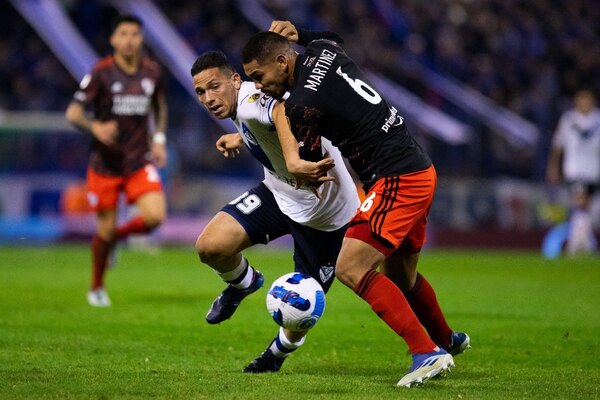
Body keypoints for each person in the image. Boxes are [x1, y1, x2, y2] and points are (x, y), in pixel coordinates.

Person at [242, 21, 470, 387]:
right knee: (401, 276)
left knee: (350, 267)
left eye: (259, 75)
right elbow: (334, 36)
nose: (258, 85)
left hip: (395, 178)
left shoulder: (300, 105)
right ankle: (446, 338)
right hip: (419, 167)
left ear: (283, 63)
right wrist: (299, 31)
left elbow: (310, 162)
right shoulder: (324, 51)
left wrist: (292, 162)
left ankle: (427, 352)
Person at [190, 50, 359, 372]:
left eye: (214, 86)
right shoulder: (245, 106)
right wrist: (241, 137)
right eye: (201, 92)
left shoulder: (255, 98)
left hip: (325, 214)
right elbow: (263, 121)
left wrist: (294, 162)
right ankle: (244, 283)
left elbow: (281, 110)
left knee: (302, 305)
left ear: (235, 80)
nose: (208, 98)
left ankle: (275, 356)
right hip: (279, 193)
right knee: (210, 246)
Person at [65, 14, 168, 307]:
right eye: (123, 33)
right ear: (113, 39)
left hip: (138, 160)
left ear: (141, 38)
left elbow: (160, 107)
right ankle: (96, 286)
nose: (129, 39)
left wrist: (158, 139)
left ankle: (112, 241)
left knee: (154, 217)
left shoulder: (152, 72)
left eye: (134, 34)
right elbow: (73, 113)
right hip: (105, 165)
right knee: (105, 229)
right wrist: (95, 126)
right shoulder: (100, 73)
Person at [546, 89, 600, 255]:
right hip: (574, 169)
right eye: (580, 99)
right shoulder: (568, 119)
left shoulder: (598, 119)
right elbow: (558, 144)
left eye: (587, 99)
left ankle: (581, 244)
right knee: (580, 202)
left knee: (585, 207)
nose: (584, 102)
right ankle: (577, 244)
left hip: (594, 170)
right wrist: (553, 166)